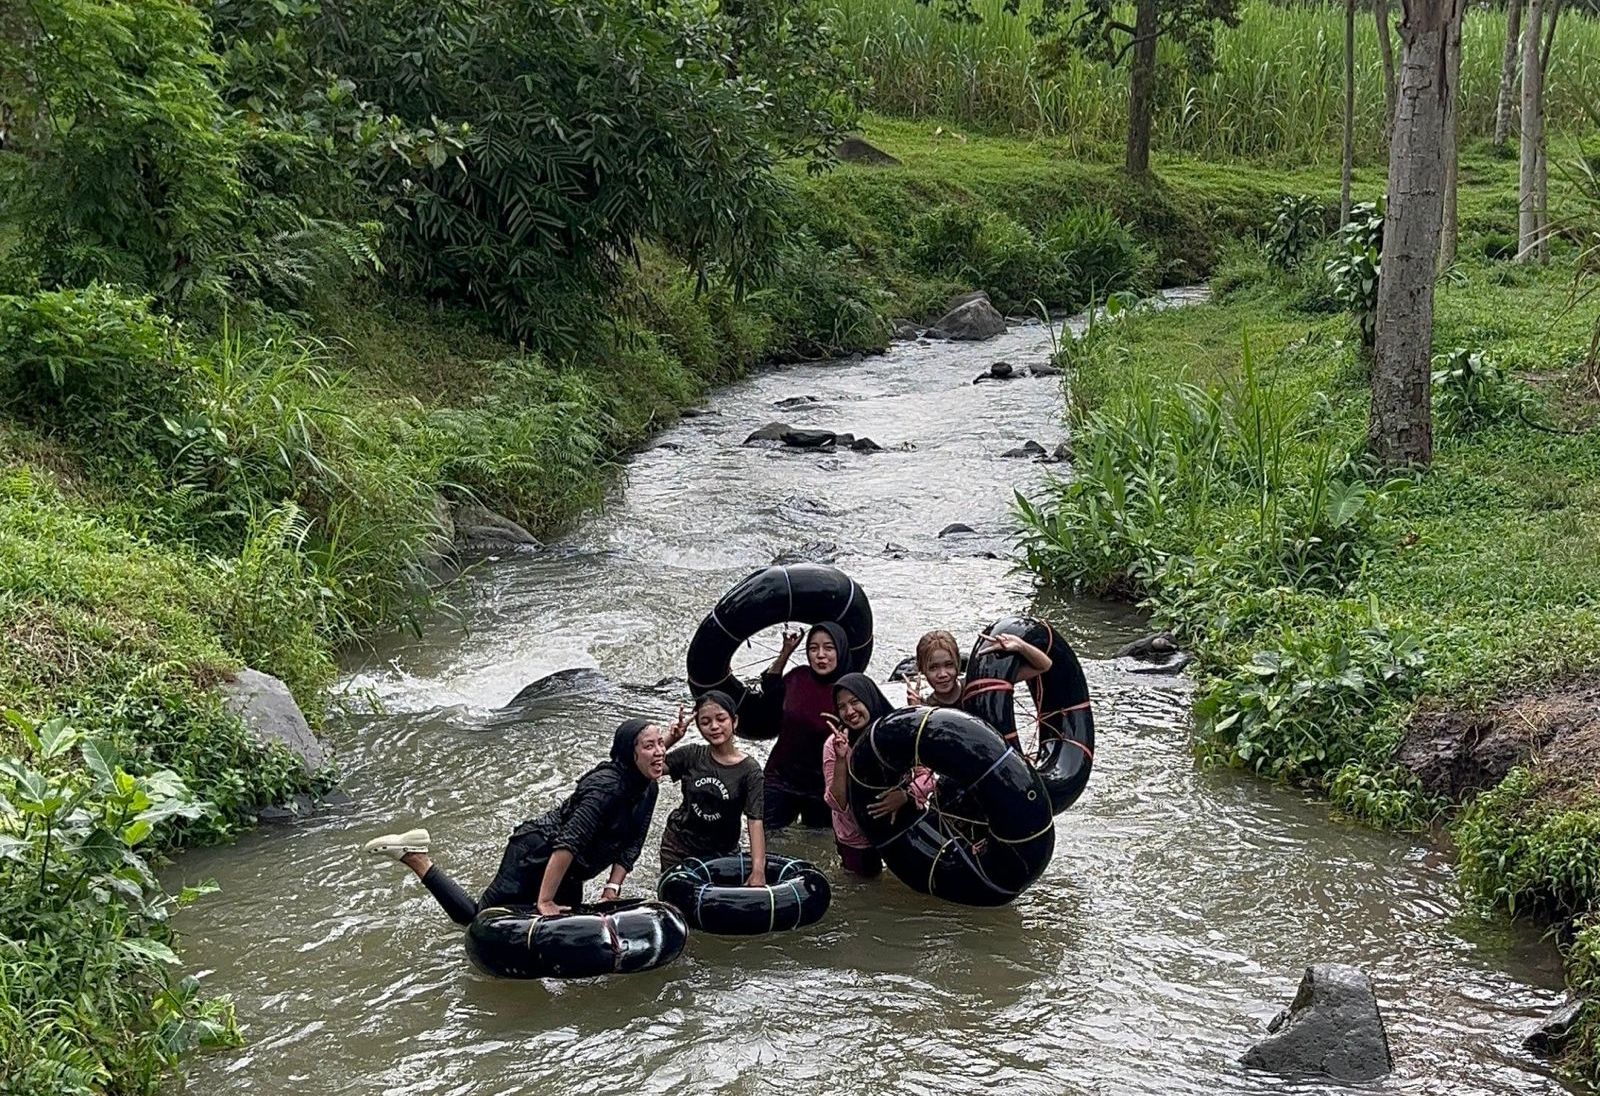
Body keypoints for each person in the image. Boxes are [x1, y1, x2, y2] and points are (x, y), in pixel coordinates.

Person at [362, 719, 666, 922]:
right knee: (478, 918)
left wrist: (611, 889)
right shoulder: (605, 788)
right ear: (629, 753)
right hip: (535, 853)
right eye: (649, 746)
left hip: (571, 872)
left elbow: (632, 844)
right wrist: (545, 900)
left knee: (566, 925)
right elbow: (568, 843)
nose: (659, 752)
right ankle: (415, 857)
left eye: (661, 743)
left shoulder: (648, 788)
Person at [822, 672, 934, 877]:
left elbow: (927, 777)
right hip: (856, 836)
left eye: (855, 702)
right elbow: (837, 803)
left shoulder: (895, 732)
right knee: (863, 886)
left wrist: (906, 795)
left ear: (869, 698)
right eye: (842, 706)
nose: (849, 711)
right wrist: (841, 759)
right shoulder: (835, 744)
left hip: (900, 823)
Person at [746, 621, 850, 830]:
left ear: (840, 650)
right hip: (780, 777)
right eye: (813, 648)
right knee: (767, 836)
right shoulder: (798, 676)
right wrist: (786, 652)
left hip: (822, 786)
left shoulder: (849, 690)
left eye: (828, 648)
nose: (820, 655)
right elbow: (770, 689)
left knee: (817, 841)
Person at [658, 690, 767, 886]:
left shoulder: (750, 770)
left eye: (721, 719)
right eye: (705, 722)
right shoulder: (691, 755)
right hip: (678, 847)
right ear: (699, 727)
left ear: (734, 721)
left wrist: (758, 870)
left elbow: (755, 820)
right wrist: (672, 737)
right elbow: (649, 767)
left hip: (723, 854)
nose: (714, 726)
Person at [905, 628, 1053, 708]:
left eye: (949, 665)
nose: (943, 674)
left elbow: (1044, 666)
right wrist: (916, 712)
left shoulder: (980, 685)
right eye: (933, 668)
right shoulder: (927, 708)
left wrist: (1020, 646)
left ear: (958, 663)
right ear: (922, 670)